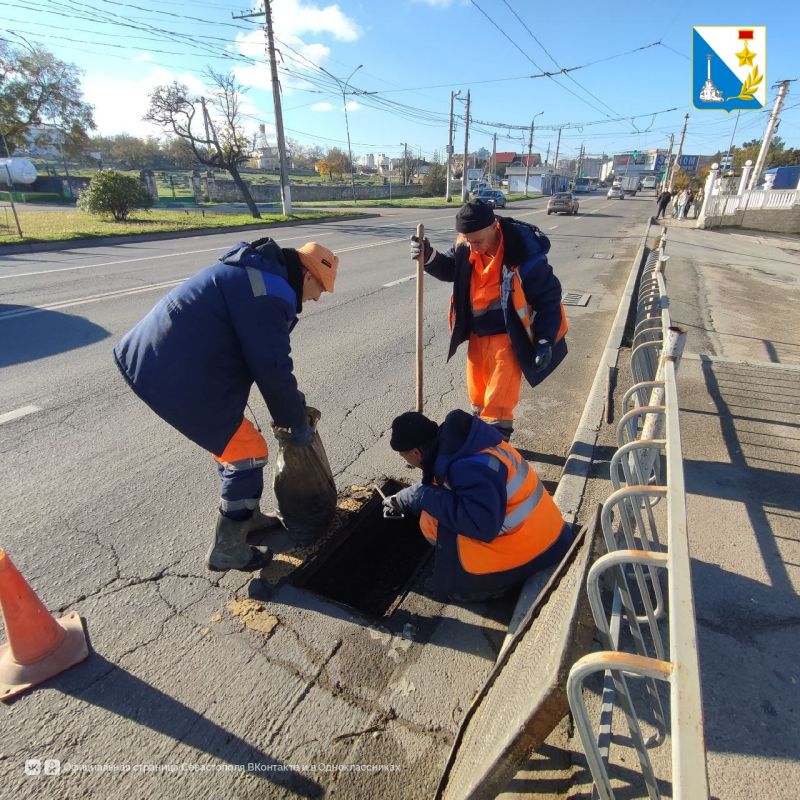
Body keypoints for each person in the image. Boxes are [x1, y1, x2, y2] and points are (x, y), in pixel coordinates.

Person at [113, 238, 338, 573]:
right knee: (248, 454)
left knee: (236, 445)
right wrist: (295, 423)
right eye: (319, 288)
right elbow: (272, 367)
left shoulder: (260, 275)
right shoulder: (270, 293)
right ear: (307, 275)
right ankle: (227, 548)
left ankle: (246, 516)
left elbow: (258, 358)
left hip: (165, 362)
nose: (316, 298)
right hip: (173, 375)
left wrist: (292, 410)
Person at [410, 200, 568, 440]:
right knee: (478, 393)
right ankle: (481, 434)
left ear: (494, 226)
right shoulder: (467, 244)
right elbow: (452, 268)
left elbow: (549, 298)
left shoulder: (522, 252)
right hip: (477, 334)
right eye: (468, 240)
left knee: (499, 399)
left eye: (478, 241)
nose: (472, 248)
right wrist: (428, 257)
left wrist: (545, 340)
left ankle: (495, 447)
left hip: (508, 336)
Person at [385, 409, 573, 601]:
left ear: (416, 452)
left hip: (540, 550)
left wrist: (422, 496)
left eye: (403, 456)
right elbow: (436, 485)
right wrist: (403, 497)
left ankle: (486, 585)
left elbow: (482, 525)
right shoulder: (463, 446)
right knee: (437, 503)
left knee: (432, 522)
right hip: (546, 530)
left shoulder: (467, 468)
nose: (405, 461)